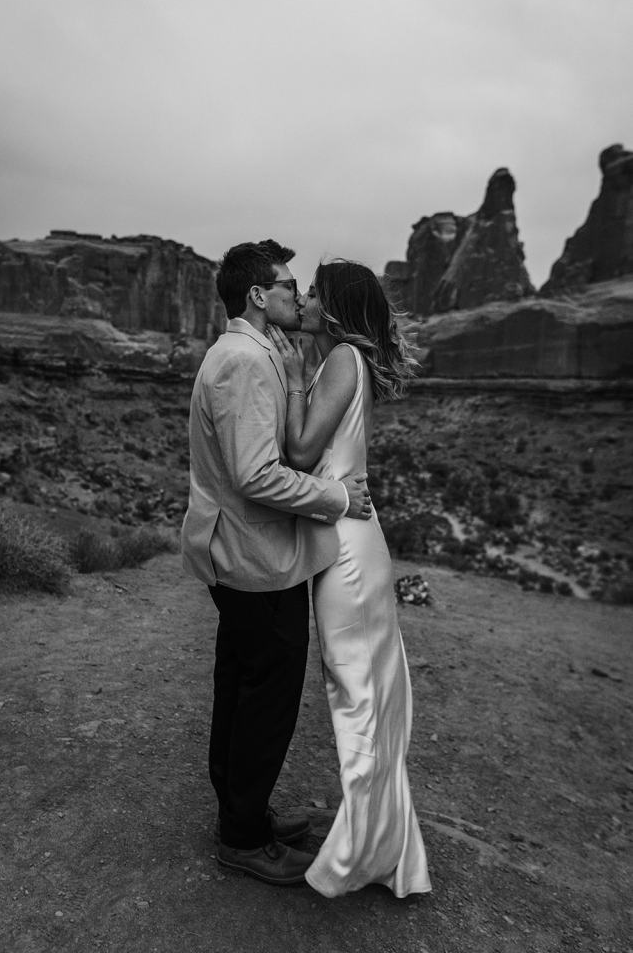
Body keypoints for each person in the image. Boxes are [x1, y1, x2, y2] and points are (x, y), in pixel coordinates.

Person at [181, 240, 372, 887]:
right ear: (259, 295)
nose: (299, 293)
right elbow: (256, 475)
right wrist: (337, 498)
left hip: (243, 552)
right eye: (289, 285)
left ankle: (242, 814)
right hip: (255, 558)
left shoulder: (250, 352)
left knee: (240, 686)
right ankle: (243, 839)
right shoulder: (243, 360)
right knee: (265, 699)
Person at [268, 259, 432, 899]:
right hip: (346, 536)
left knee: (356, 692)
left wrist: (289, 380)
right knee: (360, 690)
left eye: (313, 291)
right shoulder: (339, 360)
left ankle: (359, 853)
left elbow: (300, 453)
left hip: (348, 553)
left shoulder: (340, 360)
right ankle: (380, 842)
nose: (303, 299)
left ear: (333, 307)